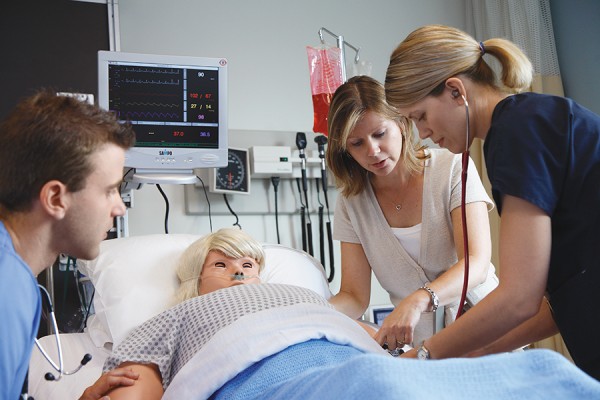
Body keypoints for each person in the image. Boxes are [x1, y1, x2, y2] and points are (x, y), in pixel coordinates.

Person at [80, 228, 600, 400]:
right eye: (222, 263)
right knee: (377, 383)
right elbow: (136, 386)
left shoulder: (306, 300)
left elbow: (382, 345)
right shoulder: (173, 318)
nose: (239, 271)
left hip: (356, 364)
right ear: (196, 277)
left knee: (548, 372)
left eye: (248, 262)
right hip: (270, 383)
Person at [384, 24, 600, 380]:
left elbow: (519, 297)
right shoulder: (528, 121)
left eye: (420, 116)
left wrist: (421, 359)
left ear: (455, 90)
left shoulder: (517, 132)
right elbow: (562, 295)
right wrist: (475, 352)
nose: (421, 133)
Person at [325, 75, 498, 349]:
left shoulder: (452, 168)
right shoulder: (351, 203)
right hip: (427, 350)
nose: (373, 151)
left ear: (402, 125)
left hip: (489, 327)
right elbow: (354, 295)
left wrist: (420, 298)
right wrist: (313, 310)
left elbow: (475, 263)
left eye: (380, 134)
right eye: (357, 143)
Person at [0, 89, 136, 400]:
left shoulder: (16, 276)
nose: (120, 207)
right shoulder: (7, 289)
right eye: (110, 190)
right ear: (55, 198)